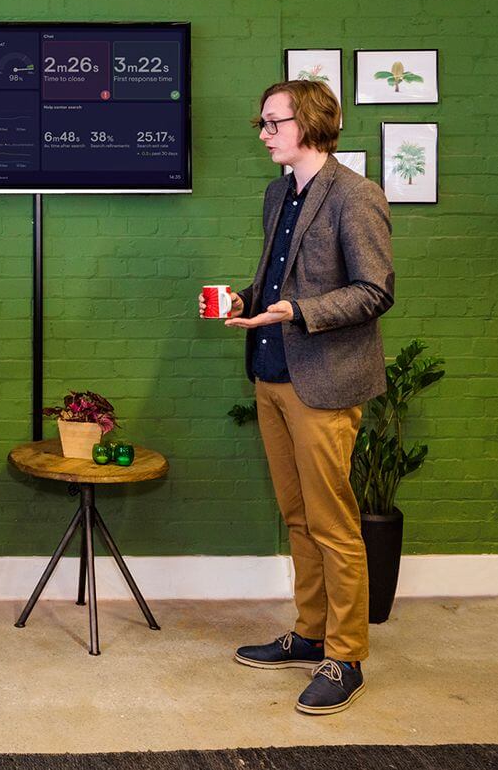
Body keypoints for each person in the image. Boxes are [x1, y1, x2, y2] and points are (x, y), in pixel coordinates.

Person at [208, 79, 394, 715]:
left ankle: (346, 657)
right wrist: (246, 300)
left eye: (272, 123)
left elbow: (374, 290)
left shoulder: (356, 197)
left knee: (334, 524)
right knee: (296, 516)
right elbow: (277, 281)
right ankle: (311, 634)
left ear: (309, 124)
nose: (263, 134)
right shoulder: (276, 194)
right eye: (261, 123)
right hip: (272, 376)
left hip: (325, 383)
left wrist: (298, 310)